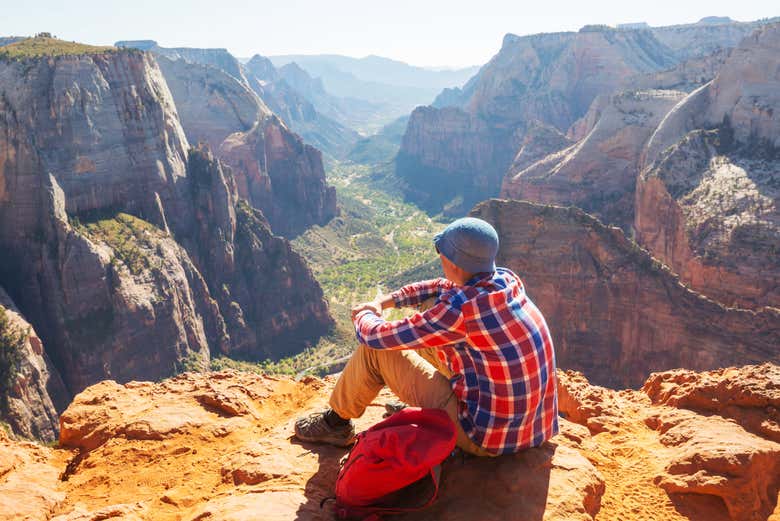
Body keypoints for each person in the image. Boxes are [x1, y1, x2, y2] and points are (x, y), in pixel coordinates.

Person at [294, 217, 558, 456]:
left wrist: (365, 313)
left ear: (453, 263)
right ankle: (428, 407)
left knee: (375, 353)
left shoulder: (460, 311)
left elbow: (374, 337)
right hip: (533, 428)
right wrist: (386, 302)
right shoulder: (505, 279)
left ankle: (335, 424)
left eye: (440, 252)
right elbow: (439, 287)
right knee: (431, 305)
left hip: (486, 439)